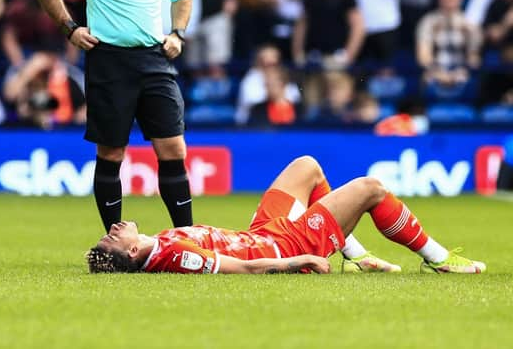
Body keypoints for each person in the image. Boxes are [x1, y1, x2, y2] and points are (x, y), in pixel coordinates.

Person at [33, 0, 194, 231]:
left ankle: (186, 237)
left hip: (154, 58)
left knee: (174, 148)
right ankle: (114, 241)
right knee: (111, 152)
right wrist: (70, 28)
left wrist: (177, 33)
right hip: (109, 60)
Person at [87, 155, 486, 274]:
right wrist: (303, 259)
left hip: (261, 233)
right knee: (371, 189)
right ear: (134, 252)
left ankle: (356, 257)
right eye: (113, 236)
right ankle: (439, 259)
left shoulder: (157, 245)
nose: (116, 226)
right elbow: (240, 270)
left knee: (307, 166)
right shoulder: (175, 257)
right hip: (283, 245)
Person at [416, 0, 481, 100]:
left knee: (471, 82)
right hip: (435, 72)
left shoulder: (470, 23)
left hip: (461, 73)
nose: (449, 0)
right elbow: (423, 57)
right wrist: (440, 73)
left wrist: (459, 72)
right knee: (427, 80)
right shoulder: (427, 21)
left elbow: (474, 58)